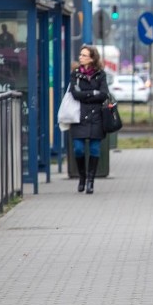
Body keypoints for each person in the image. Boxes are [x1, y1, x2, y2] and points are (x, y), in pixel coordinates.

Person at [68, 44, 110, 194]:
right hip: (78, 116)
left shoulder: (101, 75)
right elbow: (74, 94)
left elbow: (104, 94)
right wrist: (93, 93)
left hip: (96, 117)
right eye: (80, 55)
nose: (80, 57)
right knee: (78, 149)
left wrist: (86, 94)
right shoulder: (75, 74)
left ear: (92, 58)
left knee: (94, 149)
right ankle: (82, 177)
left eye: (84, 55)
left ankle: (91, 181)